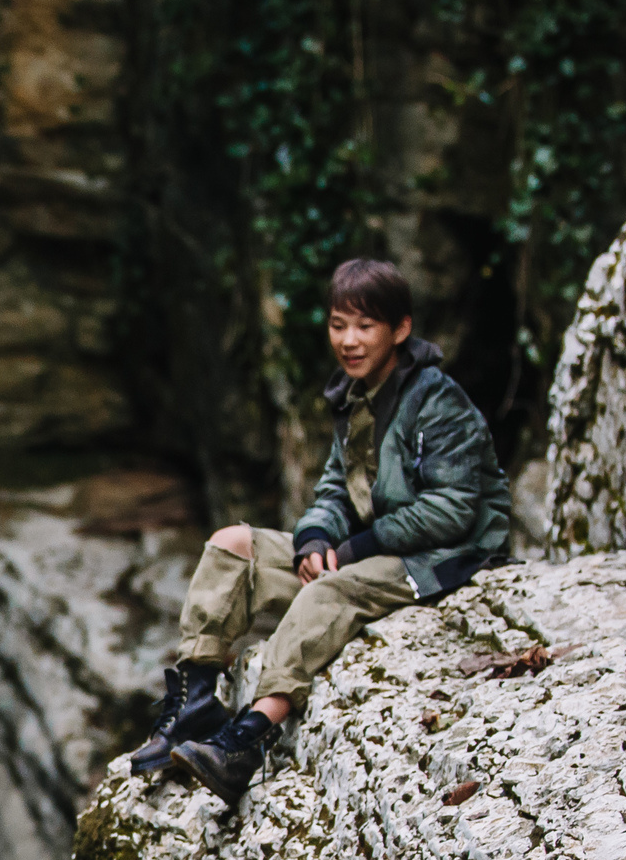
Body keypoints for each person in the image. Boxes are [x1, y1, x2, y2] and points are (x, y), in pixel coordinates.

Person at [129, 258, 510, 804]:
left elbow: (453, 510)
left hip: (449, 556)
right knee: (233, 545)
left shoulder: (437, 400)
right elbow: (335, 489)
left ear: (400, 330)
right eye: (338, 325)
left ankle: (248, 739)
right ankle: (194, 701)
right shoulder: (357, 399)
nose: (349, 341)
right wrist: (315, 539)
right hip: (381, 544)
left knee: (330, 590)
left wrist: (352, 549)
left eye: (365, 326)